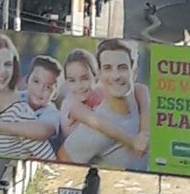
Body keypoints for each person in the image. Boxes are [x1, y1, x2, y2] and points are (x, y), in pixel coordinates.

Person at [58, 39, 150, 171]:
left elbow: (142, 91)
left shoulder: (141, 97)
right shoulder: (90, 131)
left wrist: (145, 133)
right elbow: (62, 160)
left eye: (122, 67)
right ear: (100, 74)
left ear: (134, 73)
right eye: (108, 68)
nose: (115, 75)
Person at [0, 33, 55, 161]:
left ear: (14, 69)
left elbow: (51, 159)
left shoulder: (20, 114)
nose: (2, 71)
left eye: (7, 64)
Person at [0, 55, 62, 152]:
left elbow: (43, 131)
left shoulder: (52, 113)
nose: (40, 89)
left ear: (55, 94)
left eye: (48, 87)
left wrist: (1, 125)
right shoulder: (16, 97)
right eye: (36, 81)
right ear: (27, 80)